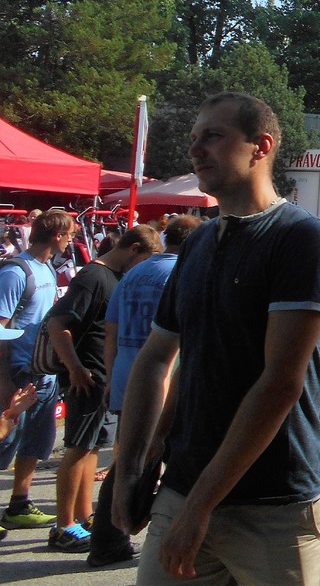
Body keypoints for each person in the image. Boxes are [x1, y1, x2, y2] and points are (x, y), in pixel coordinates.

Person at [112, 92, 320, 583]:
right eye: (194, 138)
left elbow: (281, 382)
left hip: (276, 505)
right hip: (183, 488)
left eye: (213, 136)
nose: (195, 149)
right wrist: (132, 466)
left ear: (261, 146)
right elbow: (159, 358)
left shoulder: (299, 237)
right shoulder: (198, 241)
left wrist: (199, 506)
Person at [92, 215, 200, 567]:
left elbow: (110, 329)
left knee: (129, 458)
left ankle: (110, 537)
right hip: (163, 377)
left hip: (127, 371)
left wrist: (112, 376)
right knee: (169, 455)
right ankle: (151, 532)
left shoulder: (134, 273)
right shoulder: (183, 273)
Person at [46, 225, 161, 554]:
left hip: (100, 378)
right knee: (77, 448)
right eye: (144, 260)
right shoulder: (93, 276)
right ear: (133, 249)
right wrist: (74, 367)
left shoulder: (115, 277)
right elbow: (57, 323)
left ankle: (84, 517)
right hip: (85, 376)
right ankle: (63, 526)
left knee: (93, 447)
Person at [0, 209, 76, 540]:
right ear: (57, 235)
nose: (71, 240)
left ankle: (19, 504)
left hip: (43, 370)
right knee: (5, 439)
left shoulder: (46, 268)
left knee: (37, 440)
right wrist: (3, 378)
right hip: (18, 370)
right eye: (70, 235)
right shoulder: (16, 272)